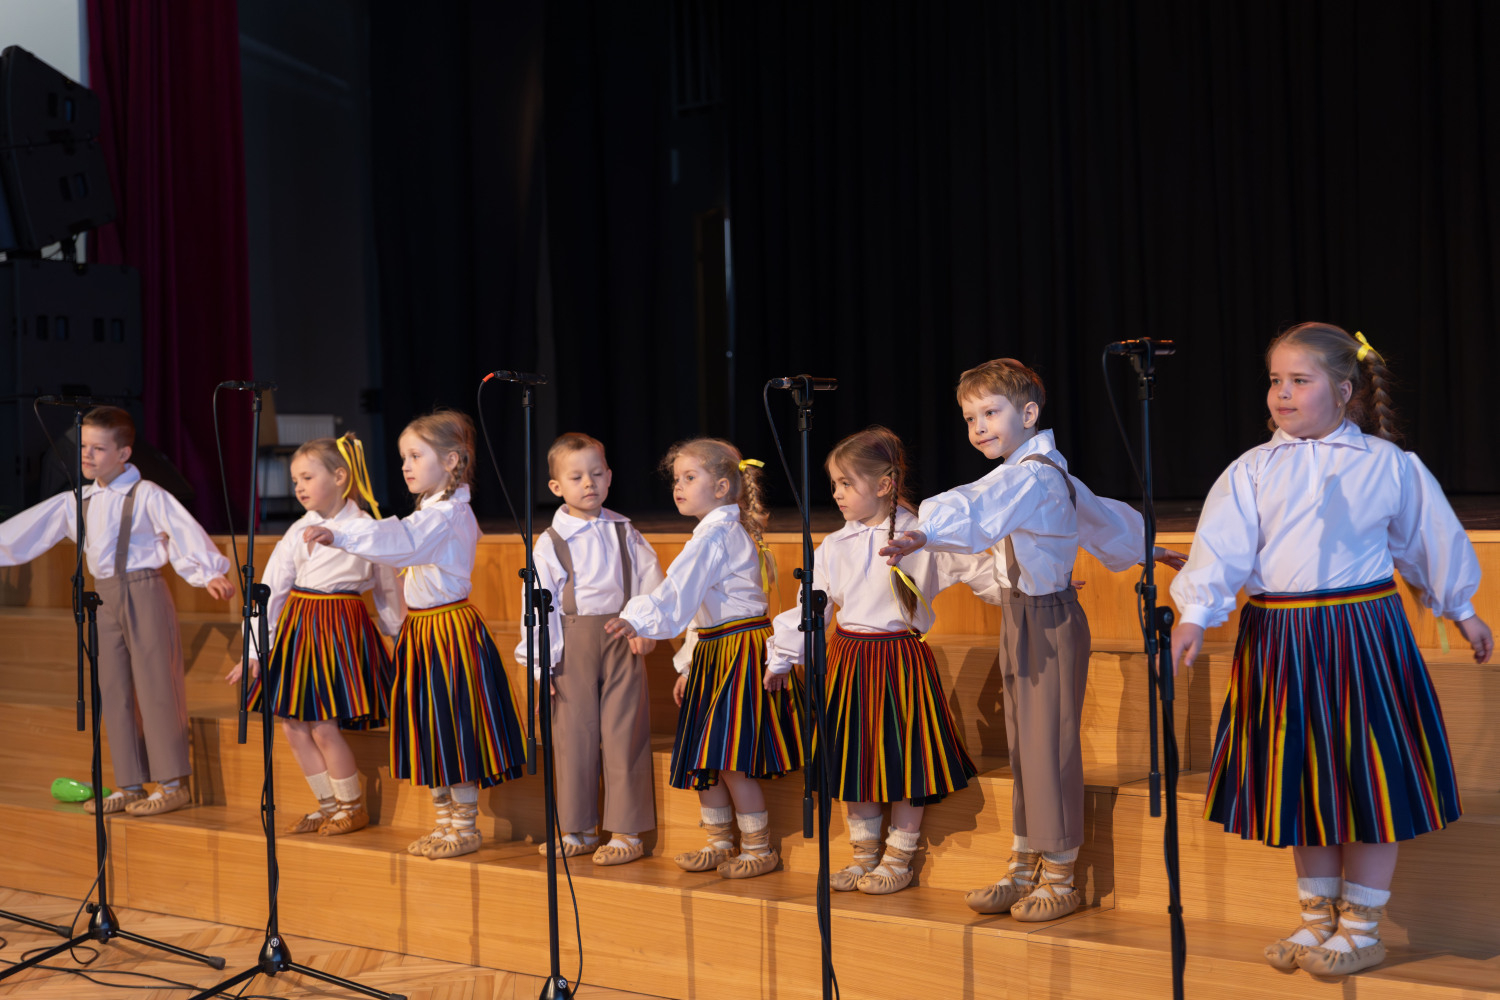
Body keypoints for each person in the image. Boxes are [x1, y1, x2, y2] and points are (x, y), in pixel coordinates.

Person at [1170, 323, 1492, 975]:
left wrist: (1460, 607)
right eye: (1274, 380)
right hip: (1279, 639)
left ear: (1343, 390)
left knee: (1366, 778)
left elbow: (1427, 539)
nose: (1281, 394)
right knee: (1304, 780)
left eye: (1299, 380)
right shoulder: (1252, 470)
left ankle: (1362, 927)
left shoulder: (1385, 464)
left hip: (1361, 637)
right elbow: (1221, 548)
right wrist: (1195, 615)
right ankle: (1318, 920)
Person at [882, 359, 1182, 921]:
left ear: (1028, 413)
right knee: (1026, 746)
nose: (979, 427)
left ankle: (1062, 875)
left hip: (1049, 618)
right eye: (970, 417)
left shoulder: (1035, 475)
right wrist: (1148, 547)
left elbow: (981, 506)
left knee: (1049, 746)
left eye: (990, 413)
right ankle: (1026, 863)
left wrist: (925, 530)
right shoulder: (1034, 472)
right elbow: (1094, 515)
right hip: (1020, 616)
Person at [765, 425, 1002, 895]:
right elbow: (813, 603)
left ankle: (899, 856)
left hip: (899, 662)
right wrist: (782, 658)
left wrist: (1035, 580)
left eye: (846, 483)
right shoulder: (835, 545)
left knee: (902, 757)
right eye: (833, 484)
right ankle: (863, 854)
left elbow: (979, 565)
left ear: (885, 484)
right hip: (849, 660)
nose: (836, 494)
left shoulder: (921, 536)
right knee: (855, 758)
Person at [304, 410, 527, 860]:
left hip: (447, 632)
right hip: (423, 630)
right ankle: (444, 821)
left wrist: (339, 533)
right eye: (403, 456)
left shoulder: (445, 515)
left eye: (415, 455)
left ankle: (464, 826)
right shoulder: (431, 510)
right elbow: (402, 536)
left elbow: (400, 540)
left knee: (454, 725)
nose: (405, 465)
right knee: (431, 725)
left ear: (451, 460)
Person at [0, 405, 233, 816]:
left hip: (143, 591)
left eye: (98, 449)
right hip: (103, 597)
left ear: (124, 453)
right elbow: (25, 531)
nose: (87, 456)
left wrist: (207, 572)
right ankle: (130, 783)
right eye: (83, 447)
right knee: (115, 691)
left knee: (157, 686)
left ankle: (173, 782)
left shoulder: (148, 495)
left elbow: (183, 533)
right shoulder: (80, 500)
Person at [604, 438, 802, 879]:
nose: (679, 486)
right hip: (715, 650)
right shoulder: (714, 533)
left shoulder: (717, 536)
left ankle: (758, 847)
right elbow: (699, 608)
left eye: (690, 477)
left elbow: (678, 591)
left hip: (738, 651)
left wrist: (640, 618)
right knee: (704, 753)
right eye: (676, 479)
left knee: (730, 757)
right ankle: (719, 841)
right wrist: (690, 663)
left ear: (722, 487)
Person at [226, 433, 403, 836]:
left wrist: (399, 636)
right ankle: (327, 806)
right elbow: (269, 591)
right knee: (292, 722)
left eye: (307, 477)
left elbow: (389, 589)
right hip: (300, 626)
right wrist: (254, 649)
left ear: (340, 476)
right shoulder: (297, 530)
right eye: (295, 481)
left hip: (339, 627)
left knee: (323, 723)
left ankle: (351, 805)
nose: (299, 487)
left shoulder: (366, 528)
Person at [515, 432, 664, 865]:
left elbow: (649, 580)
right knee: (573, 736)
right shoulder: (549, 541)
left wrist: (643, 622)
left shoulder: (624, 530)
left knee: (625, 733)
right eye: (577, 476)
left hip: (620, 635)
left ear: (610, 476)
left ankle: (627, 831)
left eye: (597, 474)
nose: (589, 483)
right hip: (570, 642)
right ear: (557, 487)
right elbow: (538, 603)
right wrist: (542, 665)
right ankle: (576, 828)